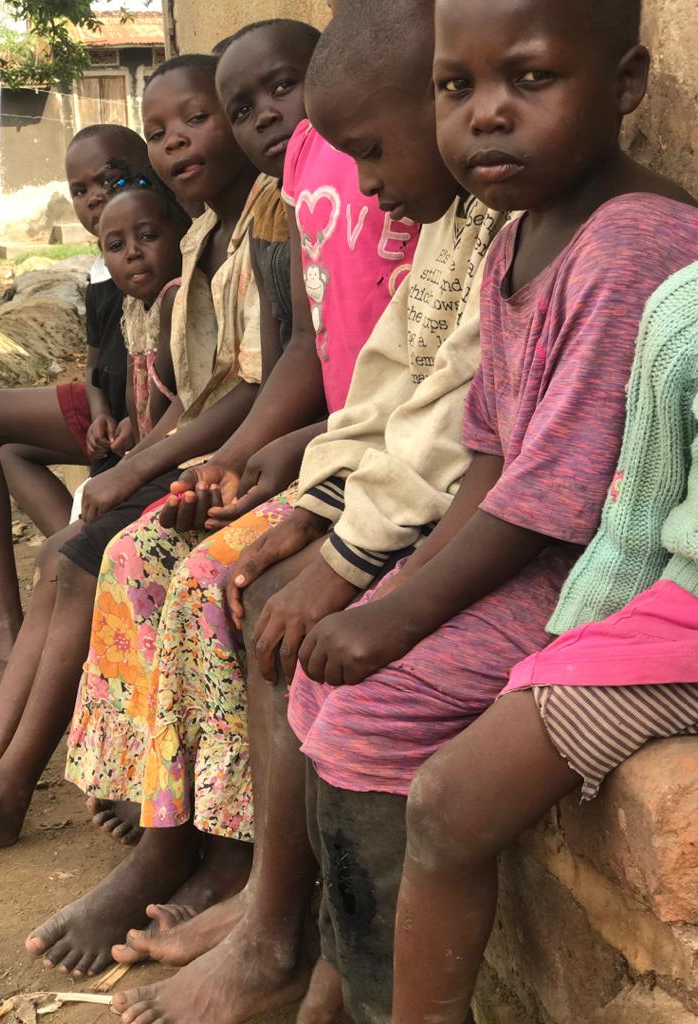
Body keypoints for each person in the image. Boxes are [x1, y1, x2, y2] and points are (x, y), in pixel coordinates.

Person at [280, 0, 698, 1019]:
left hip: (593, 571)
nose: (486, 115)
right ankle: (341, 966)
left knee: (369, 711)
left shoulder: (633, 244)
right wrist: (398, 589)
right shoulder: (516, 238)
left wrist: (399, 617)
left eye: (530, 79)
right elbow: (490, 454)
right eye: (455, 87)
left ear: (627, 85)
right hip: (531, 547)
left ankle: (384, 999)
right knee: (318, 689)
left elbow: (554, 501)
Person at [106, 2, 505, 1022]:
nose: (366, 183)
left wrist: (338, 556)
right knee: (258, 586)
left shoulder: (504, 233)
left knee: (293, 617)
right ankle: (274, 918)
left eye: (370, 151)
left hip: (464, 525)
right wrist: (305, 513)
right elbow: (382, 388)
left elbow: (451, 423)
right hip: (392, 494)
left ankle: (287, 935)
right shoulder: (452, 228)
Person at [26, 13, 420, 982]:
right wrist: (247, 456)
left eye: (282, 89)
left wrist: (262, 457)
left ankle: (236, 860)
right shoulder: (293, 198)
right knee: (135, 553)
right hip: (328, 450)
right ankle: (174, 831)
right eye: (243, 108)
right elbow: (309, 357)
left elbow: (398, 389)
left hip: (375, 467)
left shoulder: (388, 194)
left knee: (216, 580)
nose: (269, 117)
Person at [0, 53, 268, 859]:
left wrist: (139, 460)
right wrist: (122, 441)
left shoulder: (238, 242)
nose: (178, 143)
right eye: (163, 132)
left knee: (76, 555)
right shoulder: (196, 247)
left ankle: (7, 775)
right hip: (176, 448)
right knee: (67, 546)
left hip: (216, 457)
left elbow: (228, 389)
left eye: (197, 120)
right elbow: (158, 383)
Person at [392, 257, 698, 1024]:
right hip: (687, 619)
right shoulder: (684, 314)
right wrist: (576, 645)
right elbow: (635, 524)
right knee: (448, 802)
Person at [0, 124, 149, 709]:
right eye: (80, 190)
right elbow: (95, 364)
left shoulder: (155, 245)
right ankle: (62, 576)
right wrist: (100, 409)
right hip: (110, 408)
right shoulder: (102, 272)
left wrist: (132, 418)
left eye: (111, 178)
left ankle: (13, 639)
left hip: (147, 416)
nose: (95, 196)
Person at [96, 169, 189, 442]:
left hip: (182, 446)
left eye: (147, 236)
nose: (133, 252)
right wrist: (136, 448)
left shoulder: (178, 297)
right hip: (151, 447)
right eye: (116, 245)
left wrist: (138, 458)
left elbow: (173, 397)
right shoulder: (133, 306)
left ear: (182, 234)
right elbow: (132, 392)